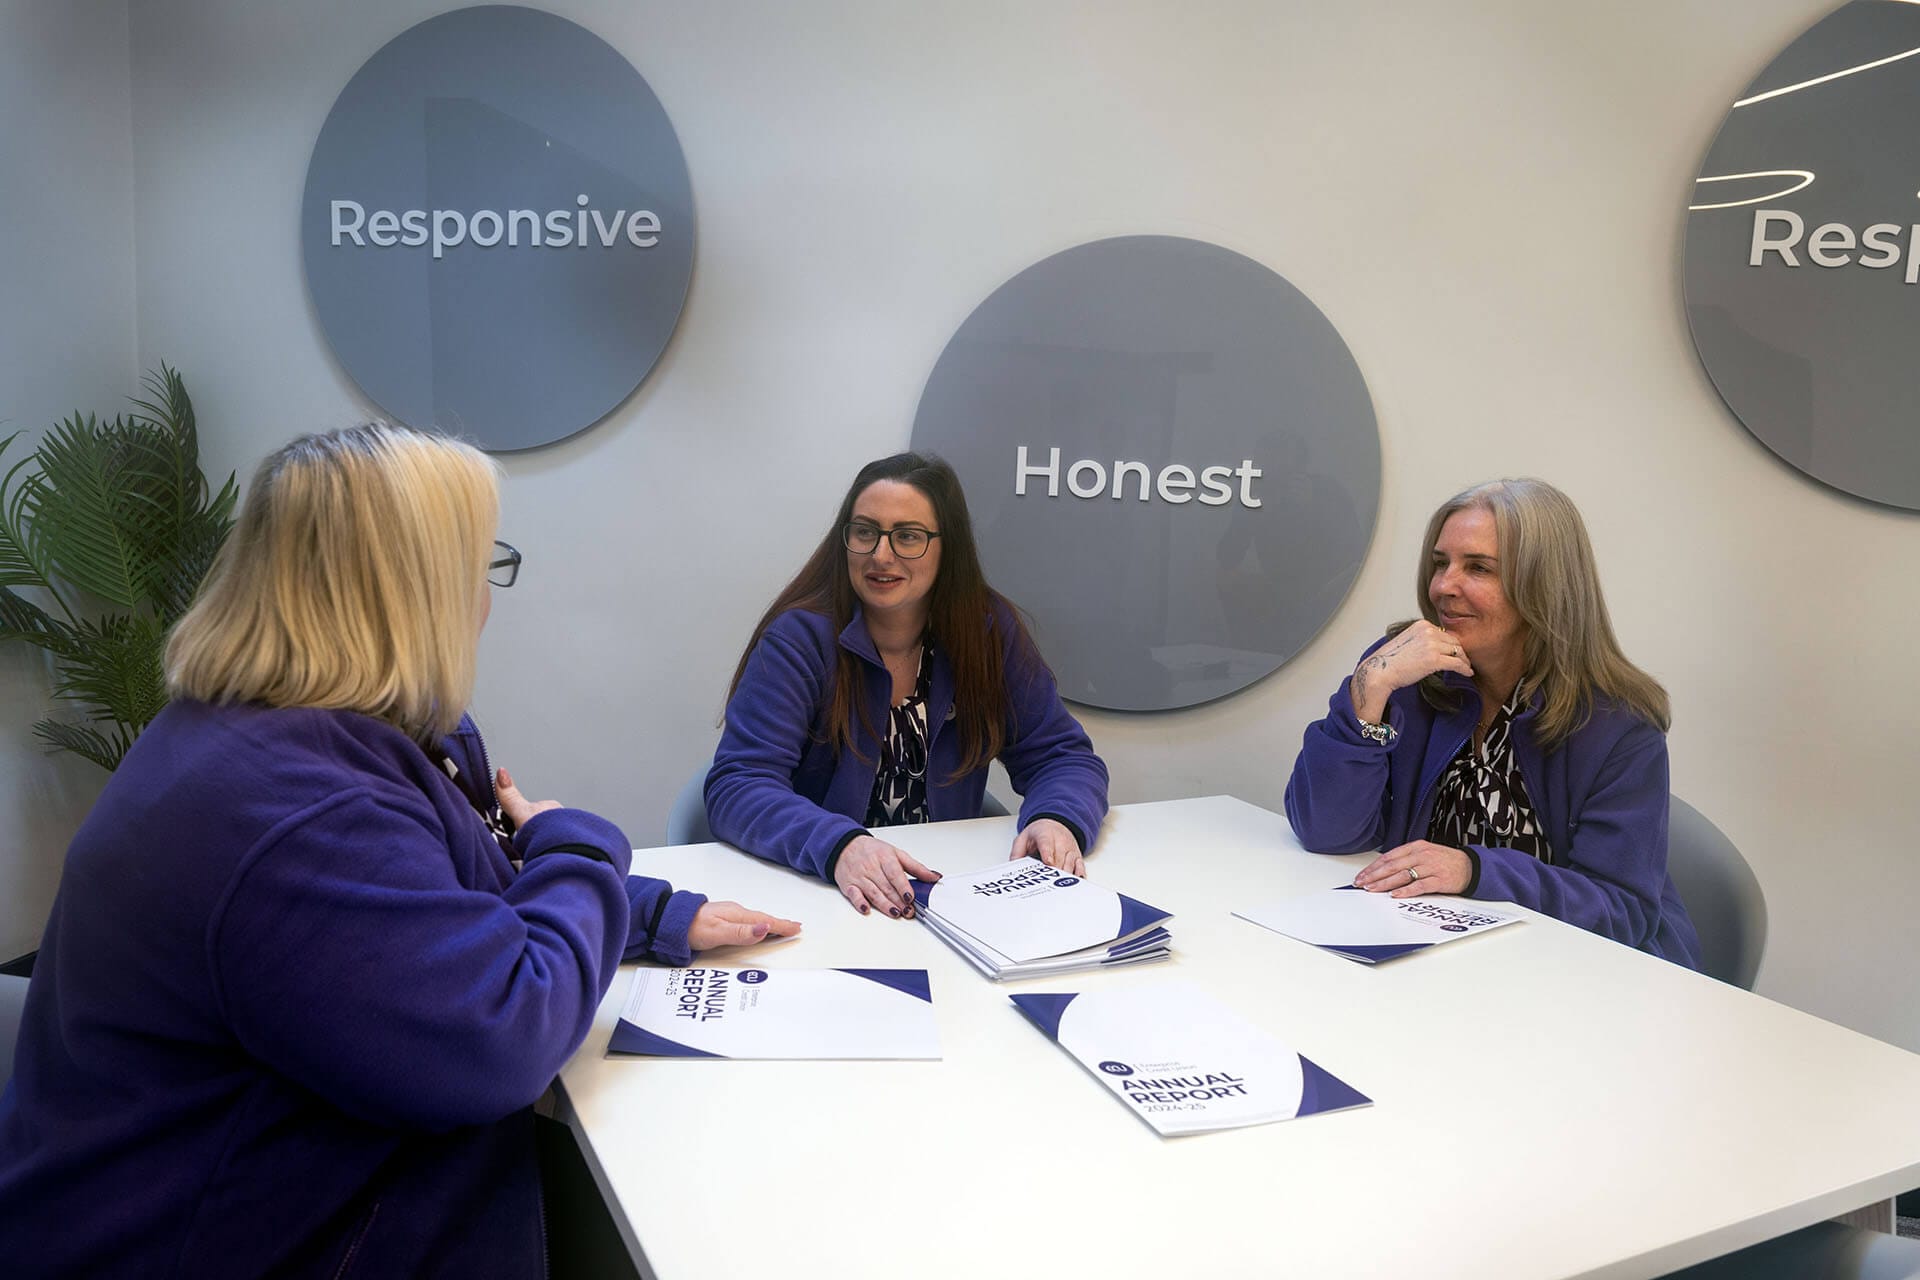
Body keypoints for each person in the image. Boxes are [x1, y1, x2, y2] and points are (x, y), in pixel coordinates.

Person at [0, 424, 799, 1279]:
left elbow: (452, 903)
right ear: (409, 589)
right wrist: (579, 849)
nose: (487, 601)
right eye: (480, 566)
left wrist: (654, 915)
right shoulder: (291, 810)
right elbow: (503, 1032)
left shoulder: (307, 733)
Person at [1284, 478, 1700, 966]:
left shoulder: (1618, 722)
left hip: (1577, 973)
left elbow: (1623, 911)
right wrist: (1367, 692)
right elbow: (1326, 832)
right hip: (1437, 949)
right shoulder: (1406, 671)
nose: (1443, 586)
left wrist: (1475, 870)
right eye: (1441, 563)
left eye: (1478, 568)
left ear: (1545, 586)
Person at [707, 451, 1109, 918]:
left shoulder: (986, 631)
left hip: (945, 894)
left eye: (908, 537)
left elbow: (1062, 756)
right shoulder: (799, 639)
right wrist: (841, 846)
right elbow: (737, 787)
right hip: (823, 891)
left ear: (948, 548)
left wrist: (1056, 818)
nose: (881, 555)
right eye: (865, 532)